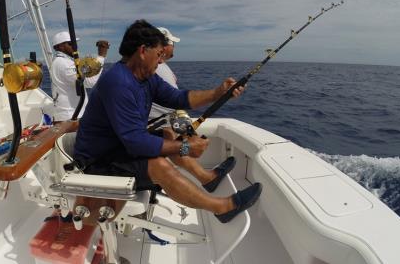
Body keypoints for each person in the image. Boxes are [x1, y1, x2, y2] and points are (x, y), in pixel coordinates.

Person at [74, 20, 262, 223]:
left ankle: (207, 178)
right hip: (98, 161)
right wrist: (185, 148)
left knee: (167, 134)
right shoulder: (118, 82)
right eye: (159, 54)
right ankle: (222, 208)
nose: (161, 61)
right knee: (159, 165)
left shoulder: (145, 77)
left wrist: (218, 93)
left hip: (118, 147)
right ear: (143, 51)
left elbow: (179, 98)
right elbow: (136, 142)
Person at [50, 31, 109, 121]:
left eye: (75, 43)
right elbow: (89, 82)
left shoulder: (62, 61)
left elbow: (84, 73)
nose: (74, 46)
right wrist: (101, 57)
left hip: (71, 114)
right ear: (59, 47)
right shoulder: (64, 64)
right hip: (71, 116)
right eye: (70, 43)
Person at [149, 27, 180, 120]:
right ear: (164, 45)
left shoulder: (159, 64)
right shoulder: (151, 66)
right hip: (159, 127)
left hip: (168, 121)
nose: (174, 46)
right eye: (172, 43)